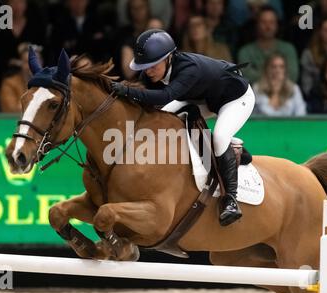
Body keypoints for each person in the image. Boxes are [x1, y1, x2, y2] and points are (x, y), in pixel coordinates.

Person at [110, 29, 255, 226]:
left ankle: (230, 199)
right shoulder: (163, 68)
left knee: (220, 136)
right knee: (164, 120)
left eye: (152, 65)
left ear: (168, 58)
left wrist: (126, 91)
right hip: (204, 97)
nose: (147, 71)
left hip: (235, 99)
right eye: (145, 66)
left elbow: (164, 96)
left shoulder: (189, 69)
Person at [237, 5, 299, 84]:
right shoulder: (245, 51)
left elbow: (293, 76)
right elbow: (246, 76)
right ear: (257, 24)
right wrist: (277, 75)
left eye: (271, 22)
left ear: (277, 25)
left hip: (284, 94)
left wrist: (262, 75)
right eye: (264, 22)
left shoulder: (288, 49)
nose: (268, 26)